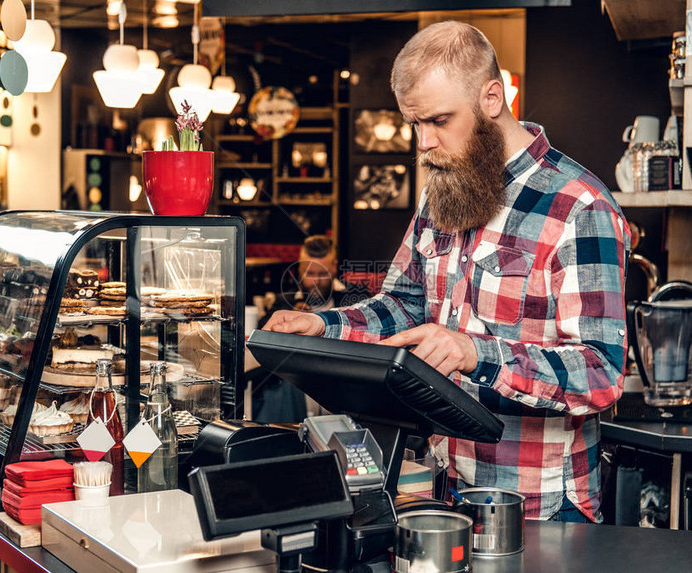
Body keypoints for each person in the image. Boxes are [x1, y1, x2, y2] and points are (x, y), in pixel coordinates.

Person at [265, 21, 630, 523]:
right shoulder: (441, 193)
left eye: (438, 120)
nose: (423, 142)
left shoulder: (579, 207)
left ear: (492, 98)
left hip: (541, 504)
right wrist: (323, 327)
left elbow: (601, 372)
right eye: (414, 123)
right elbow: (403, 306)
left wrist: (475, 353)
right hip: (444, 483)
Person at [253, 235, 368, 422]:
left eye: (322, 274)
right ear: (299, 269)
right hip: (298, 382)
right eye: (310, 274)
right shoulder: (286, 300)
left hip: (342, 376)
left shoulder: (355, 297)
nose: (315, 281)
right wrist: (289, 318)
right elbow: (262, 331)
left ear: (333, 267)